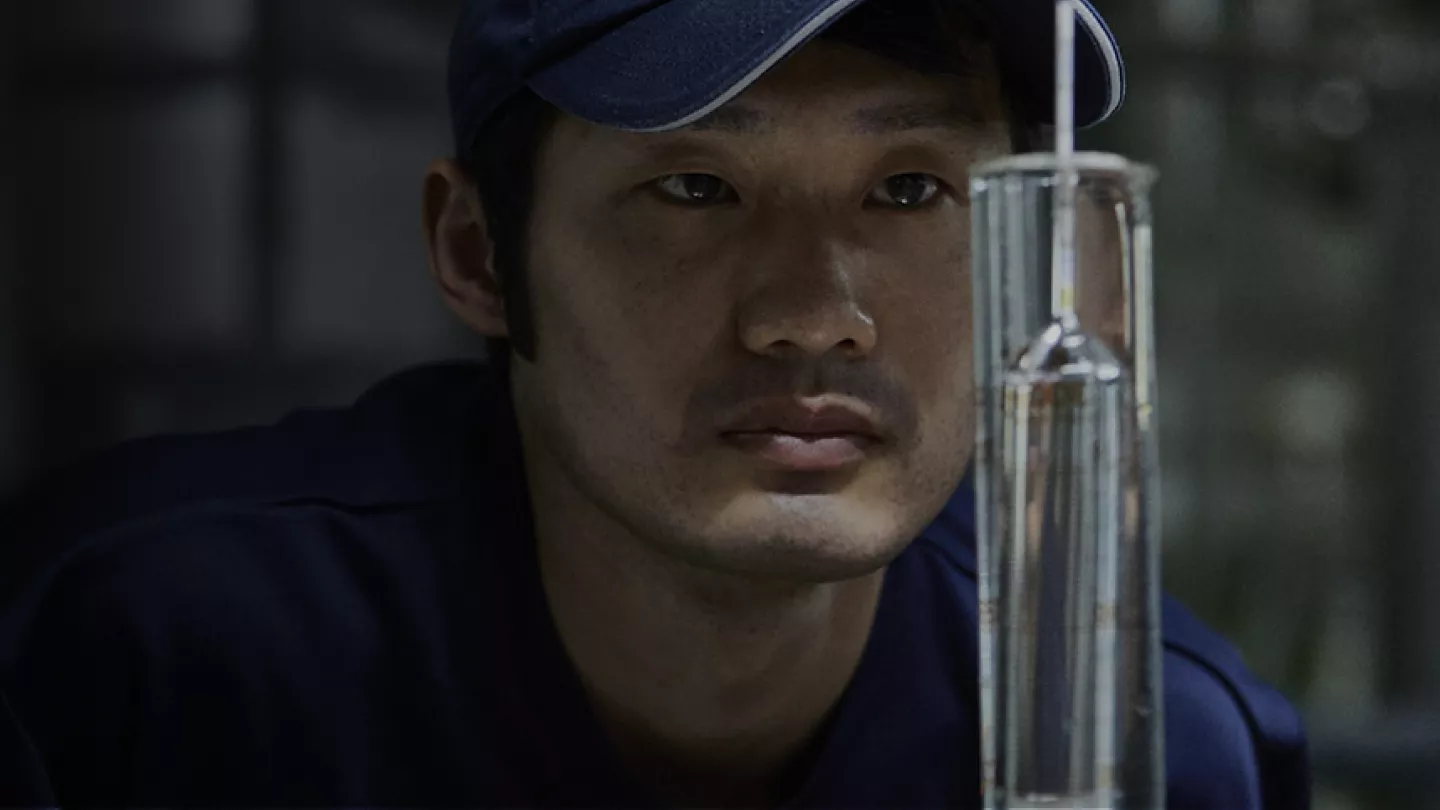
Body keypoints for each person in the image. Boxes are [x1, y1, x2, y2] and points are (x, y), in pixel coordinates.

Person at [0, 0, 1310, 806]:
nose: (813, 309)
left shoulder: (1156, 746)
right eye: (696, 188)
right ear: (476, 252)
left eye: (911, 191)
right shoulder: (135, 657)